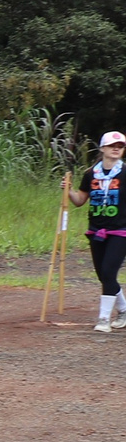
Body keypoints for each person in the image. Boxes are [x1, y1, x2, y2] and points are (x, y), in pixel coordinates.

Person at [67, 130, 126, 332]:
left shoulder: (125, 173)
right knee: (103, 275)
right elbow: (79, 201)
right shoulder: (91, 174)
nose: (117, 149)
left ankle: (103, 319)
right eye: (112, 146)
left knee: (109, 271)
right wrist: (68, 191)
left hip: (120, 231)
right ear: (102, 148)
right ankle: (124, 310)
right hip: (96, 230)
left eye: (120, 146)